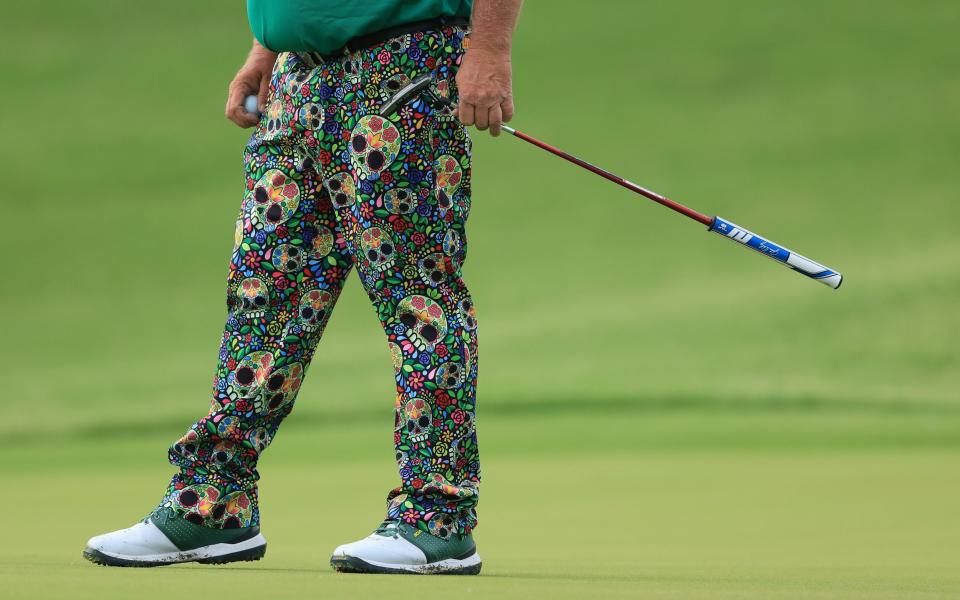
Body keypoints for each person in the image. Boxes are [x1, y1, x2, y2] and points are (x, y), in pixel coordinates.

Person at [82, 0, 521, 575]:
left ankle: (438, 518)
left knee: (418, 298)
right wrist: (267, 45)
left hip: (402, 69)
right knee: (262, 299)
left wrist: (489, 48)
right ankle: (212, 504)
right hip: (296, 80)